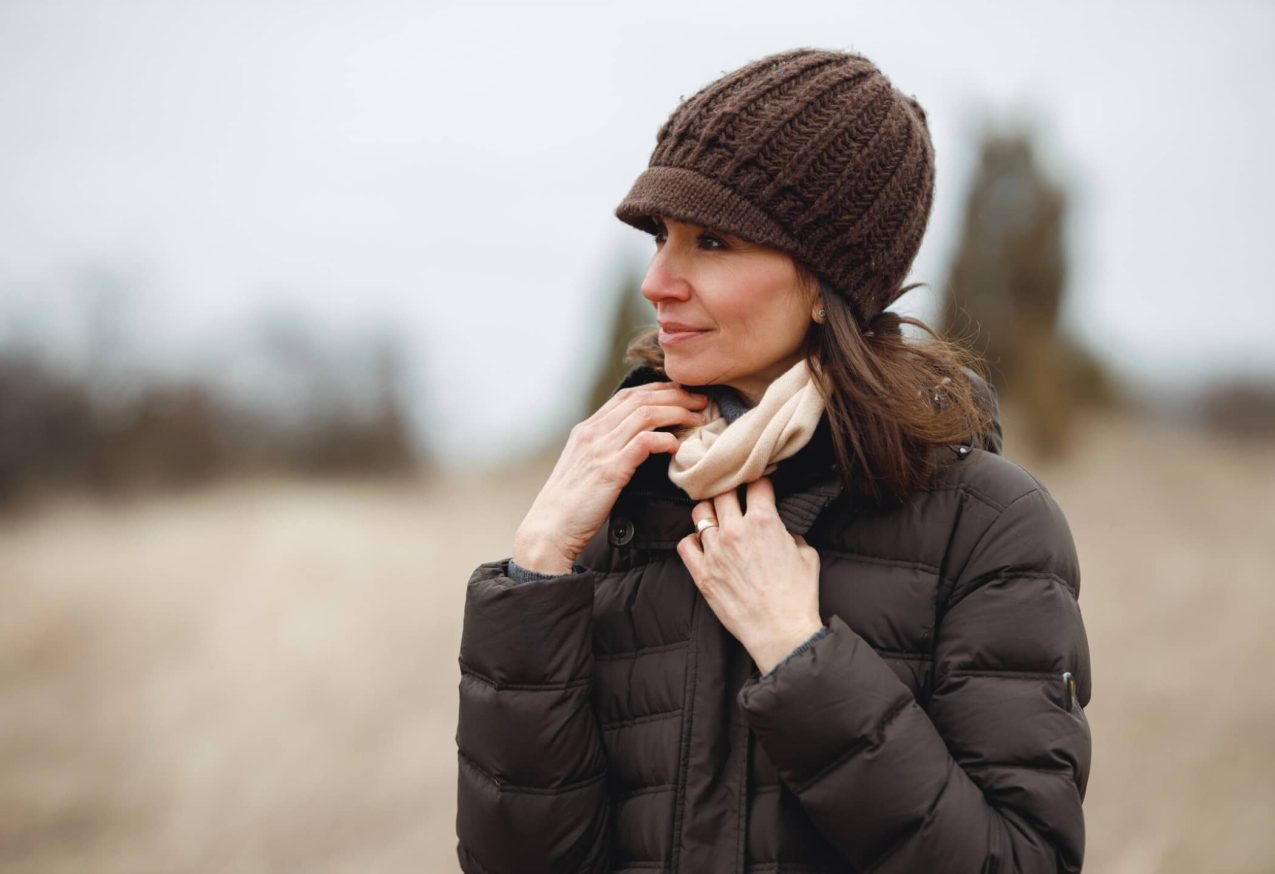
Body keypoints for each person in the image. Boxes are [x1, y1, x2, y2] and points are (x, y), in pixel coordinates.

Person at [455, 47, 1091, 874]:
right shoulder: (619, 504)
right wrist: (535, 576)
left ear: (828, 279)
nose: (657, 281)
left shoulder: (986, 524)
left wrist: (799, 654)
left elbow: (1019, 862)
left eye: (711, 242)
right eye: (660, 237)